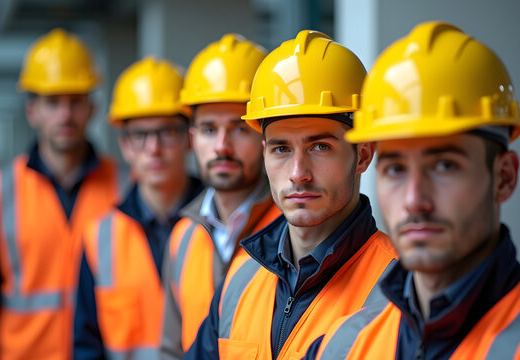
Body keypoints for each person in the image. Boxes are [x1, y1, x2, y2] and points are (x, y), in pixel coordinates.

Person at [304, 21, 520, 360]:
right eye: (396, 169)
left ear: (504, 177)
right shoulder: (345, 346)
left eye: (445, 165)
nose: (414, 200)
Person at [185, 29, 397, 360]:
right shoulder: (240, 277)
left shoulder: (401, 289)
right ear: (265, 153)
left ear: (364, 154)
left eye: (320, 146)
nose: (298, 173)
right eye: (282, 148)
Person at [0, 28, 129, 359]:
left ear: (92, 108)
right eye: (53, 102)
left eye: (75, 102)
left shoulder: (126, 186)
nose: (65, 115)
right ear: (32, 111)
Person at [160, 34, 281, 360]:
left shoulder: (294, 231)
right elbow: (171, 350)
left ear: (266, 137)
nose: (222, 147)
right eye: (210, 129)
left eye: (240, 128)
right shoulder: (182, 236)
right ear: (192, 138)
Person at [73, 57, 203, 359]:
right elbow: (86, 345)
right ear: (126, 146)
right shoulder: (99, 238)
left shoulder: (223, 225)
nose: (154, 149)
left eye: (168, 132)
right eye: (141, 136)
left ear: (189, 139)